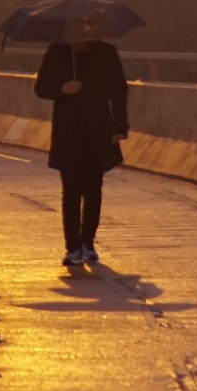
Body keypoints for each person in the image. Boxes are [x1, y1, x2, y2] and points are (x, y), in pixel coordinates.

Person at [33, 20, 129, 268]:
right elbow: (41, 87)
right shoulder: (58, 52)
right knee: (72, 189)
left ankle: (88, 241)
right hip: (68, 130)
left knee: (94, 188)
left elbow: (119, 90)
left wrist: (119, 126)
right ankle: (73, 246)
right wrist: (63, 88)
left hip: (98, 128)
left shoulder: (107, 53)